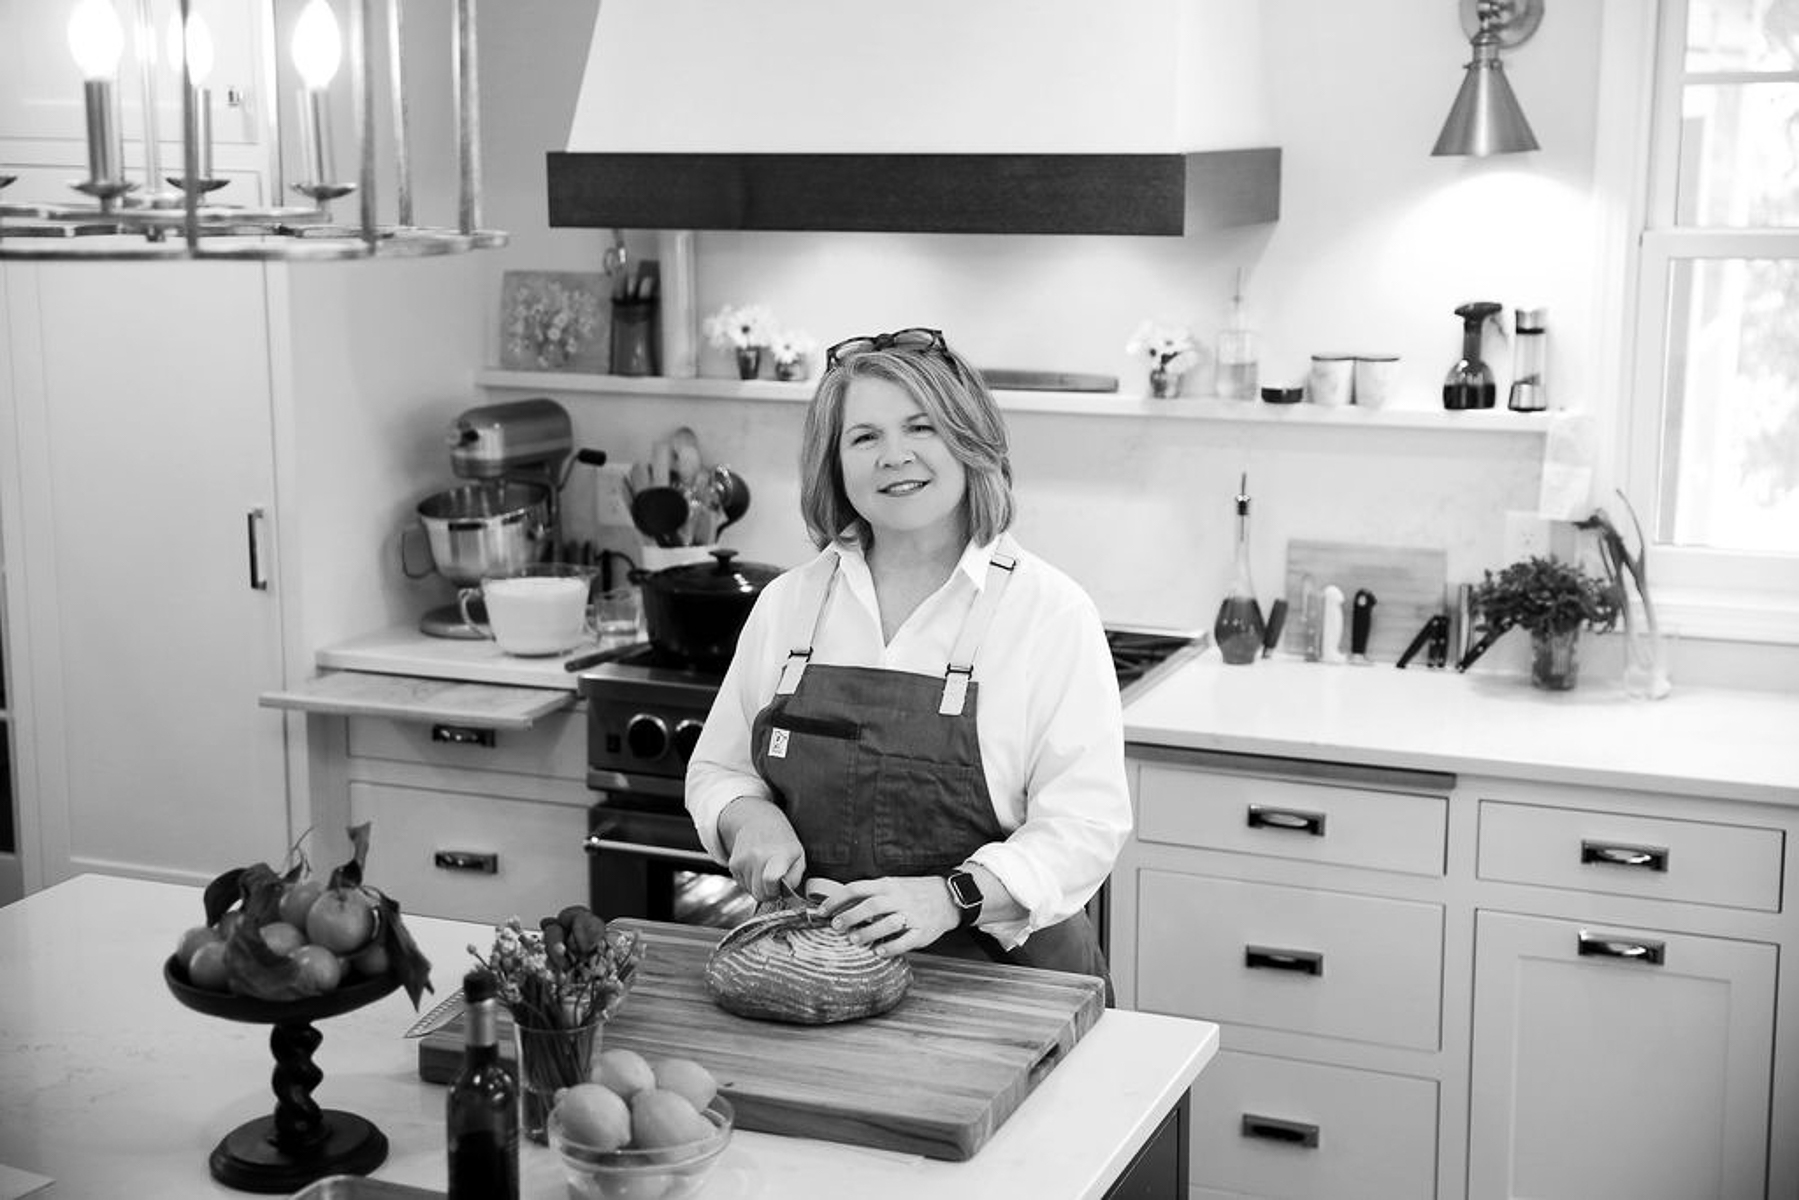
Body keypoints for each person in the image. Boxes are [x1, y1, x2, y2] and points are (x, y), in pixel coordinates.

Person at [683, 326, 1131, 990]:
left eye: (921, 429)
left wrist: (950, 897)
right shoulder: (789, 604)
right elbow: (719, 770)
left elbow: (1085, 828)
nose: (894, 457)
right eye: (864, 437)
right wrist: (749, 817)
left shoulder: (1047, 613)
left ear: (969, 442)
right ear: (833, 463)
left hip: (1003, 986)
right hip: (814, 975)